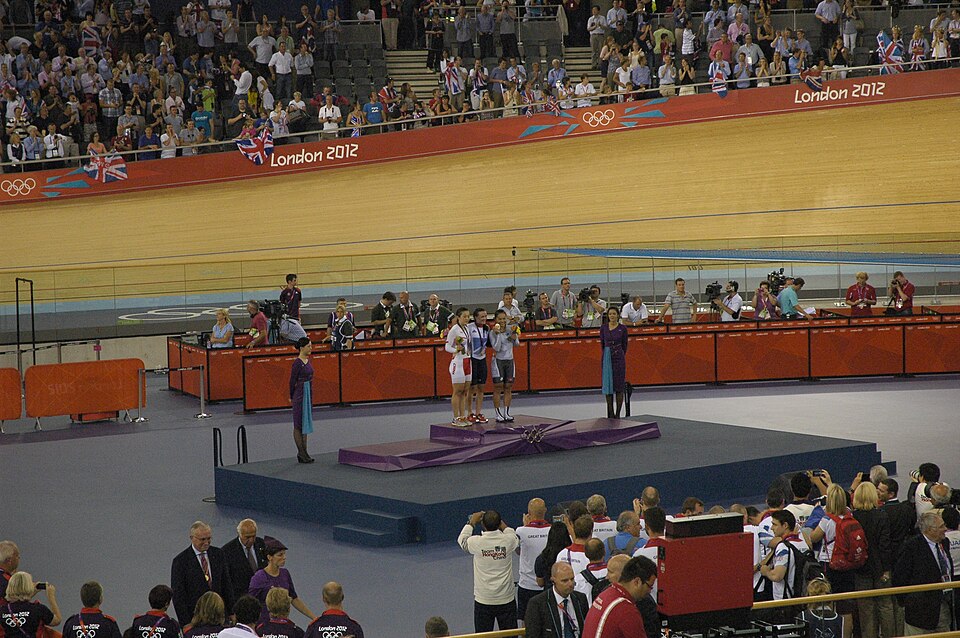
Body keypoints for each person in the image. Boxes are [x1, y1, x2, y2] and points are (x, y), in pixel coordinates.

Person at [802, 485, 855, 637]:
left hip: (829, 564)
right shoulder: (850, 515)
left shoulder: (826, 520)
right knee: (846, 606)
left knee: (829, 602)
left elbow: (813, 538)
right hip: (848, 564)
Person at [458, 510, 519, 633]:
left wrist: (471, 522)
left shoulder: (476, 542)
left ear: (483, 525)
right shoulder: (509, 540)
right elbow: (511, 532)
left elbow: (462, 540)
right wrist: (502, 524)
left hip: (484, 600)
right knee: (510, 635)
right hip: (506, 599)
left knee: (483, 635)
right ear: (499, 523)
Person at [893, 511, 954, 634]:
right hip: (919, 612)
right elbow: (900, 577)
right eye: (941, 526)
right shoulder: (911, 547)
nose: (945, 529)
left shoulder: (944, 543)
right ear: (929, 530)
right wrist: (909, 602)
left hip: (942, 606)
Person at [851, 482, 894, 638]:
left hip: (860, 567)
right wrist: (886, 569)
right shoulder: (881, 515)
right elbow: (885, 545)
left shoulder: (853, 518)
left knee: (866, 608)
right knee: (885, 605)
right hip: (880, 567)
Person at [171, 522, 235, 625]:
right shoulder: (180, 561)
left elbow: (226, 585)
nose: (206, 542)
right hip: (195, 619)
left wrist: (231, 612)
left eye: (209, 538)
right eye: (202, 539)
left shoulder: (219, 554)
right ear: (192, 538)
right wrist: (185, 623)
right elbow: (178, 596)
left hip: (220, 617)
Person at [582, 556, 656, 638]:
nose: (649, 591)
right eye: (649, 586)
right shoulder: (626, 609)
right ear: (637, 582)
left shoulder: (607, 593)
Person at [248, 538, 313, 625]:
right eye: (280, 555)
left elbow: (293, 598)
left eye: (284, 554)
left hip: (282, 623)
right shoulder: (259, 577)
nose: (284, 557)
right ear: (269, 557)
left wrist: (313, 617)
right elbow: (250, 603)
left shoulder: (285, 573)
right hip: (263, 625)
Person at [524, 562, 589, 638]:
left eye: (572, 579)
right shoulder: (538, 604)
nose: (570, 584)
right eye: (565, 581)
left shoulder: (580, 599)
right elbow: (532, 635)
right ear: (553, 581)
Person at [755, 510, 809, 600]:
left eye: (775, 524)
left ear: (785, 525)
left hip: (784, 598)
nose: (772, 528)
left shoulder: (783, 547)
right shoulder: (803, 543)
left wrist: (766, 571)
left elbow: (777, 576)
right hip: (800, 595)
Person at [516, 498, 552, 620]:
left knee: (527, 620)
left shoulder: (521, 531)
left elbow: (518, 551)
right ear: (545, 510)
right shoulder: (552, 531)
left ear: (529, 513)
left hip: (527, 586)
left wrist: (525, 526)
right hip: (547, 585)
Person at [222, 519, 268, 605]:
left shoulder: (262, 544)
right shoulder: (227, 552)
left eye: (253, 536)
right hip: (241, 601)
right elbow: (226, 582)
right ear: (239, 534)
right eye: (247, 537)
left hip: (262, 599)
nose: (251, 540)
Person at [490, 308, 519, 423]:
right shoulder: (492, 332)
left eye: (504, 319)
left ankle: (506, 413)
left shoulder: (510, 329)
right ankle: (498, 414)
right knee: (498, 387)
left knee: (508, 387)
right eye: (500, 319)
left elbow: (517, 344)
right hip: (498, 361)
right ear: (495, 320)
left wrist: (514, 337)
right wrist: (498, 335)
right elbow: (496, 348)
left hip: (510, 361)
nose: (502, 321)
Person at [599, 307, 628, 419]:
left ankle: (617, 414)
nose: (612, 316)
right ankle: (610, 414)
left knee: (619, 386)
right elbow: (602, 343)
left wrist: (619, 353)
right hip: (607, 357)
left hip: (619, 358)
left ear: (618, 315)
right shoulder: (603, 328)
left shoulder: (623, 328)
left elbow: (625, 345)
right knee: (608, 386)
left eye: (614, 314)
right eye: (610, 314)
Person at [289, 337, 315, 463]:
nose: (311, 348)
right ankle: (302, 452)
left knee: (305, 423)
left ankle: (304, 452)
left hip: (307, 393)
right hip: (299, 394)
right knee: (298, 424)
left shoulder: (308, 361)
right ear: (302, 348)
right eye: (308, 346)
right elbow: (292, 381)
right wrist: (291, 396)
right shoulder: (297, 363)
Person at [446, 307, 473, 426]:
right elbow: (447, 347)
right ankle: (456, 417)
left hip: (468, 361)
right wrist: (455, 350)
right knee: (457, 391)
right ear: (458, 317)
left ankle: (463, 416)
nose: (467, 318)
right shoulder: (454, 330)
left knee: (465, 391)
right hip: (458, 363)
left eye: (468, 316)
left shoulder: (467, 328)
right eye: (464, 316)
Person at [467, 308, 490, 424]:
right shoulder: (469, 327)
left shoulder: (487, 328)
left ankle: (478, 413)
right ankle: (469, 413)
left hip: (482, 360)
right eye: (482, 317)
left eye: (485, 316)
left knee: (481, 387)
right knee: (472, 388)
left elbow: (488, 343)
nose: (484, 318)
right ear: (476, 317)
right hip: (472, 359)